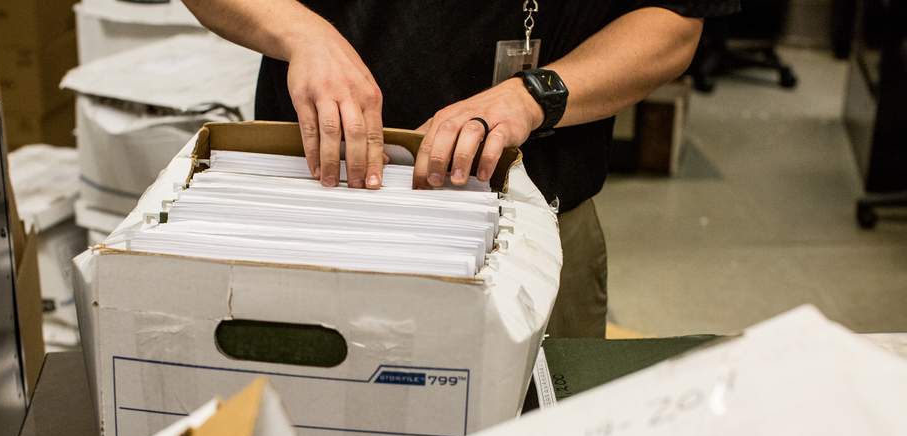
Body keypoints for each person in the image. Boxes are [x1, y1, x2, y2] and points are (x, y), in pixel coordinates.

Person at [181, 1, 739, 338]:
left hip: (533, 224)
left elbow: (673, 24)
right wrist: (304, 34)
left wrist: (535, 95)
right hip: (315, 209)